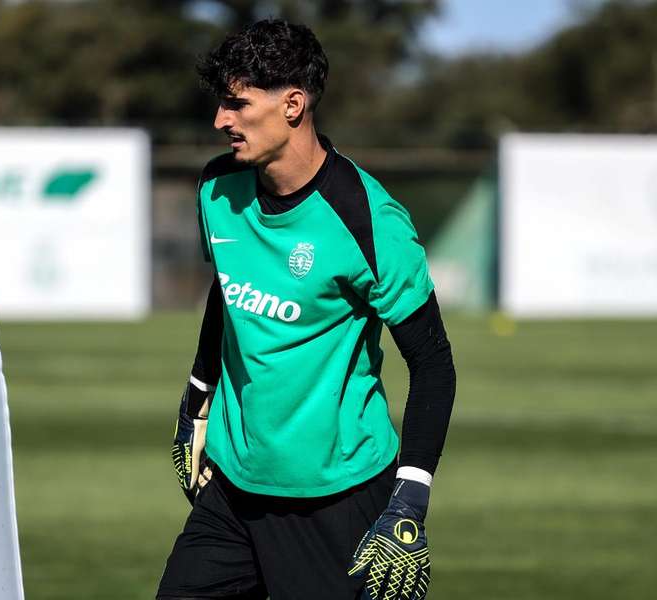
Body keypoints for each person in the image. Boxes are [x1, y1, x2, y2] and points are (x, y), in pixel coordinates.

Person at [161, 20, 456, 600]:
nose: (221, 120)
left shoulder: (370, 221)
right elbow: (226, 291)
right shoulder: (217, 189)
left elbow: (433, 363)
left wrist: (411, 498)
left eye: (237, 104)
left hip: (338, 498)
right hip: (233, 491)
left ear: (292, 105)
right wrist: (197, 396)